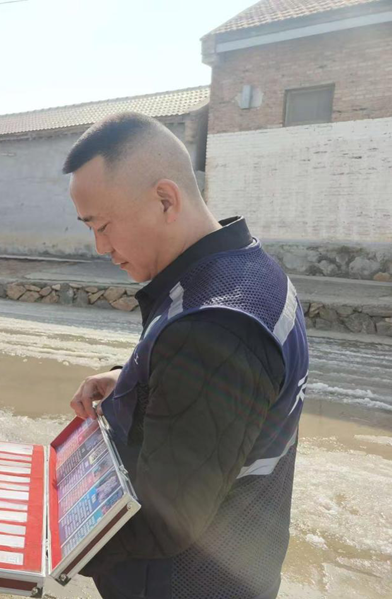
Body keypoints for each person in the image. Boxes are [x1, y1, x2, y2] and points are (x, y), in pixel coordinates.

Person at [64, 113, 308, 599]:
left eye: (103, 225)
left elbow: (163, 520)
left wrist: (50, 533)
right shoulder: (245, 269)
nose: (101, 246)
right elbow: (220, 400)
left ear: (165, 200)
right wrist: (132, 380)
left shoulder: (214, 326)